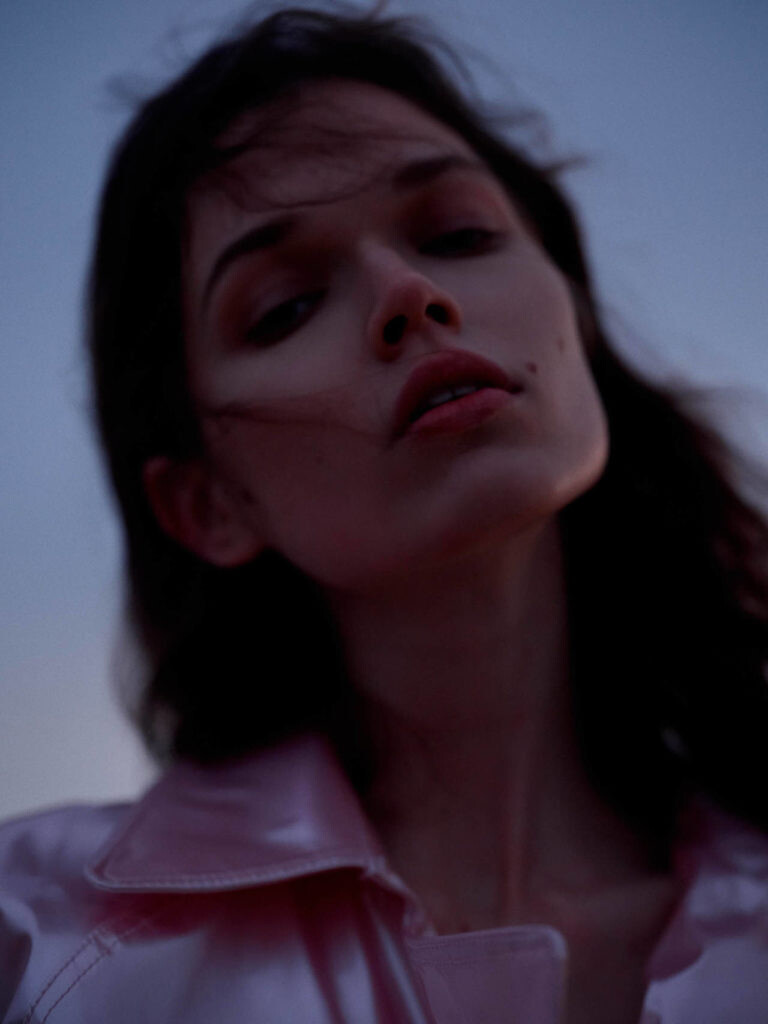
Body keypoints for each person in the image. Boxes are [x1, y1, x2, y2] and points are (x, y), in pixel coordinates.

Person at [2, 6, 768, 1023]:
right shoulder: (35, 947)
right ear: (209, 503)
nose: (408, 293)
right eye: (283, 307)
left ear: (574, 314)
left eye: (459, 235)